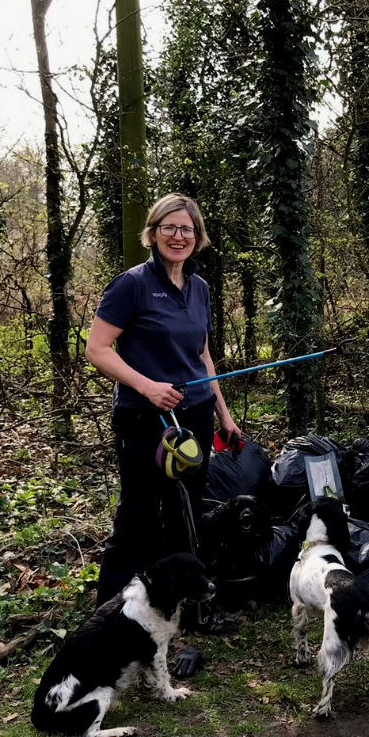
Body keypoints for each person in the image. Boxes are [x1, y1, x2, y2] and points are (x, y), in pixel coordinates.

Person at [85, 193, 240, 608]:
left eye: (186, 229)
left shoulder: (200, 288)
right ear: (152, 234)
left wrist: (223, 413)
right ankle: (110, 612)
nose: (178, 236)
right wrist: (147, 386)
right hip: (144, 420)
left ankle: (178, 606)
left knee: (185, 513)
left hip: (197, 416)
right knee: (137, 517)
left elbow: (202, 355)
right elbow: (97, 350)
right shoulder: (131, 285)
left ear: (197, 237)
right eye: (169, 227)